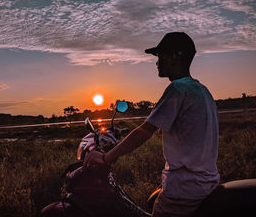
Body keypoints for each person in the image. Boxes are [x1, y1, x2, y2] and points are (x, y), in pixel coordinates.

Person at [84, 32, 220, 217]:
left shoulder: (177, 89)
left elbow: (145, 131)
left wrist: (106, 157)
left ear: (175, 57)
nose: (157, 62)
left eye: (160, 56)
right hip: (205, 183)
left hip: (184, 189)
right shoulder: (202, 91)